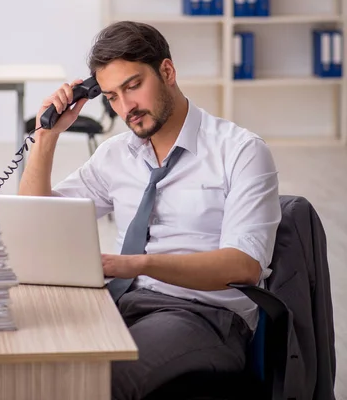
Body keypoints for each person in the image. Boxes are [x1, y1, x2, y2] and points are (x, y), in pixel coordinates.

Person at [19, 20, 281, 400]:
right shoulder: (115, 155)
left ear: (167, 72)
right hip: (121, 303)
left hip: (202, 315)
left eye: (133, 86)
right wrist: (46, 138)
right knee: (34, 357)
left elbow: (243, 266)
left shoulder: (240, 151)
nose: (126, 108)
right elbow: (35, 224)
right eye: (111, 96)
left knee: (99, 380)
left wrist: (134, 265)